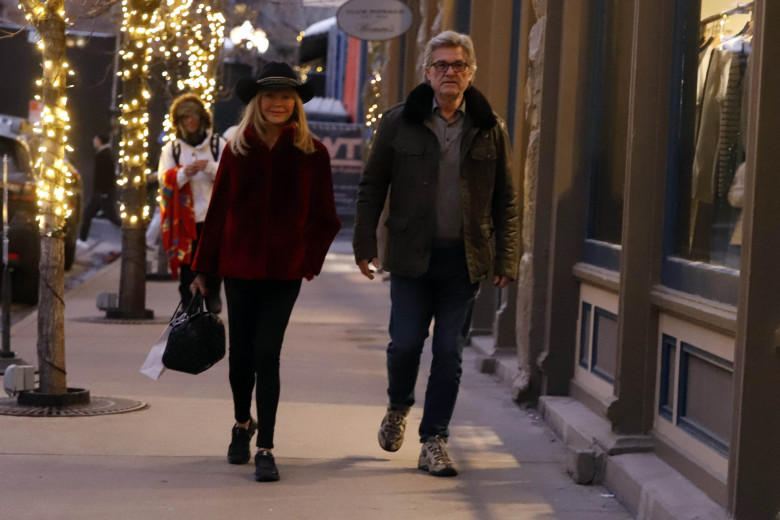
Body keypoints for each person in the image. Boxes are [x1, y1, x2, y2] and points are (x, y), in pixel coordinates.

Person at [353, 30, 521, 477]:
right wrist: (365, 244)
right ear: (427, 72)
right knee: (405, 343)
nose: (450, 72)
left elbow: (506, 197)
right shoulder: (398, 122)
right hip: (410, 255)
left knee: (449, 352)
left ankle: (434, 440)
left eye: (459, 66)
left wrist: (506, 258)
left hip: (463, 261)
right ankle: (397, 406)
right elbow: (372, 187)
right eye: (442, 65)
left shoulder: (489, 127)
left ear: (470, 74)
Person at [190, 61, 341, 482]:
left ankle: (267, 447)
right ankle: (242, 424)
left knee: (266, 355)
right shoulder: (237, 148)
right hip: (239, 267)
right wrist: (204, 269)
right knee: (241, 357)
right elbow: (218, 212)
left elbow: (326, 218)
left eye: (286, 96)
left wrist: (306, 260)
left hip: (284, 272)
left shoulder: (313, 153)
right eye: (270, 96)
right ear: (258, 101)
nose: (278, 103)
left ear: (296, 103)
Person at [158, 94, 226, 312]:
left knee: (214, 265)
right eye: (185, 117)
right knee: (188, 267)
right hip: (186, 221)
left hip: (213, 219)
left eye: (194, 116)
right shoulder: (173, 149)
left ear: (202, 119)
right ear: (178, 121)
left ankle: (213, 297)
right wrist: (183, 173)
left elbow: (231, 176)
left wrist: (209, 167)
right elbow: (164, 181)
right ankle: (189, 309)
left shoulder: (217, 144)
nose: (190, 121)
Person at [78, 133, 121, 244]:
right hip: (102, 192)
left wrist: (103, 192)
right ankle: (82, 239)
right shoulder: (105, 153)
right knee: (88, 214)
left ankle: (130, 232)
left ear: (99, 141)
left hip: (102, 193)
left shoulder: (104, 154)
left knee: (111, 216)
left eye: (95, 140)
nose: (94, 142)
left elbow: (105, 175)